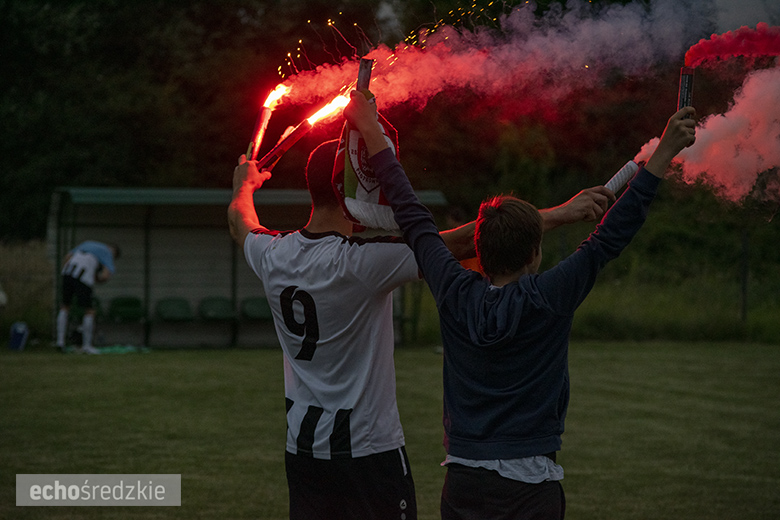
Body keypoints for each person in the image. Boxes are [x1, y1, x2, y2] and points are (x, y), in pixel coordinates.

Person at [344, 90, 696, 520]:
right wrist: (664, 152)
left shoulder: (454, 290)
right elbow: (610, 237)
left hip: (463, 484)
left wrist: (370, 129)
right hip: (530, 487)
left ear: (478, 249)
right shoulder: (549, 298)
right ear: (534, 253)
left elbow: (411, 213)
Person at [227, 134, 611, 520]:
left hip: (303, 452)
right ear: (350, 189)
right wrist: (560, 213)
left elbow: (240, 222)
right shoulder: (361, 263)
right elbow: (457, 244)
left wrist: (244, 186)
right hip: (367, 451)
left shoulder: (273, 253)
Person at [56, 240, 120, 354]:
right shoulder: (108, 253)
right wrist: (97, 279)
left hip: (67, 272)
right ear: (114, 252)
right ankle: (87, 346)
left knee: (65, 306)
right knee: (89, 311)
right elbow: (105, 275)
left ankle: (60, 342)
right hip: (83, 276)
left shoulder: (87, 244)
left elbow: (67, 257)